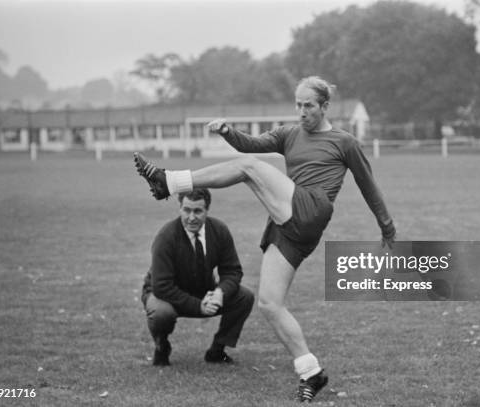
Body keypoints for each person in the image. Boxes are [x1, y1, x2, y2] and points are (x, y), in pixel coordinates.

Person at [134, 76, 396, 402]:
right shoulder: (289, 134)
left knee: (248, 168)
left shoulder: (344, 142)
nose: (302, 112)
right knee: (270, 304)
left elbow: (368, 184)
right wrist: (229, 132)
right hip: (286, 225)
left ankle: (168, 181)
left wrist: (387, 228)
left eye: (309, 105)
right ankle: (311, 372)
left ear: (325, 106)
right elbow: (251, 145)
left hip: (312, 208)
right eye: (298, 105)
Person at [141, 188, 254, 366]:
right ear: (180, 208)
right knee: (161, 312)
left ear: (207, 210)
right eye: (187, 210)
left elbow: (232, 271)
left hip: (202, 290)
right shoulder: (166, 236)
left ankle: (217, 351)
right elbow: (162, 286)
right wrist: (198, 306)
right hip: (164, 295)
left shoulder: (219, 230)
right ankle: (161, 346)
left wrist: (220, 293)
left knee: (244, 297)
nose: (191, 217)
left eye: (198, 211)